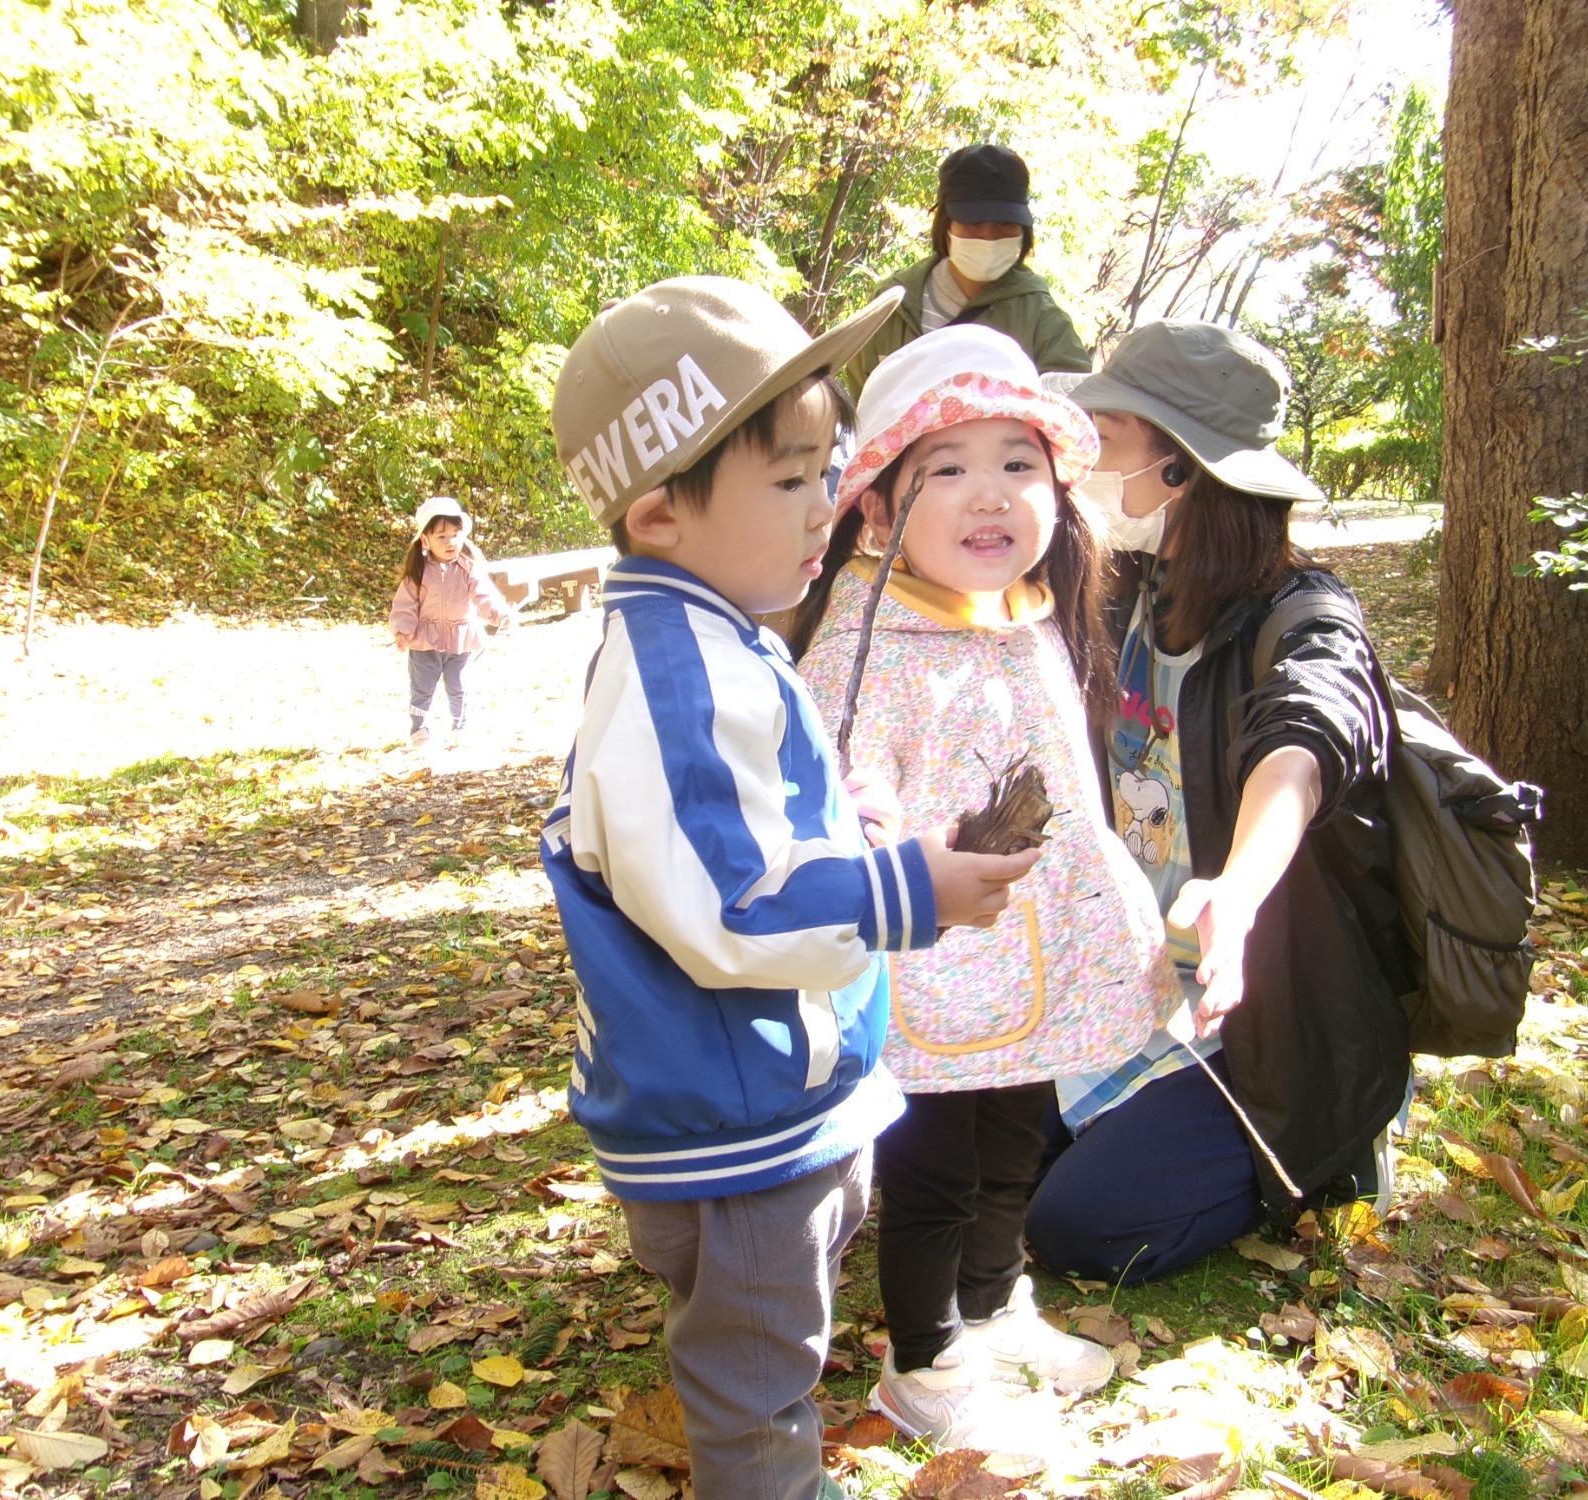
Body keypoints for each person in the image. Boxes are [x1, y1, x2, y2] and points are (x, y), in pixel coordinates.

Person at [542, 277, 1042, 1500]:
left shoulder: (713, 631)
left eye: (829, 470)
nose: (828, 503)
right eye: (789, 479)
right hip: (738, 1130)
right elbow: (731, 905)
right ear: (660, 513)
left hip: (764, 1101)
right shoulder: (679, 671)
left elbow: (737, 829)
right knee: (756, 1385)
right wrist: (900, 889)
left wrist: (851, 825)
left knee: (772, 1343)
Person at [788, 326, 1177, 1450]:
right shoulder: (866, 638)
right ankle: (923, 1358)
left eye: (1017, 461)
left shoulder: (1033, 617)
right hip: (932, 955)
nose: (987, 494)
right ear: (876, 509)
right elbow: (833, 781)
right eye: (945, 468)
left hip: (1036, 946)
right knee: (933, 1162)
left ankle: (995, 1304)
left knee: (1020, 1130)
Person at [1024, 319, 1415, 1286]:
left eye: (1107, 434)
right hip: (1138, 982)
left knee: (1078, 1223)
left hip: (1269, 1014)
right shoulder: (1129, 600)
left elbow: (1301, 745)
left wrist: (1235, 893)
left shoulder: (1305, 619)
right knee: (973, 1143)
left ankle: (1329, 1150)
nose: (1083, 460)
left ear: (1182, 470)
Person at [843, 144, 1089, 394]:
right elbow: (859, 410)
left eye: (1005, 223)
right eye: (973, 222)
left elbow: (1075, 413)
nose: (988, 237)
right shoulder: (892, 308)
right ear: (945, 223)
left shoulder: (1043, 322)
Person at [388, 496, 513, 748]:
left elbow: (484, 595)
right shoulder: (418, 572)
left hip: (460, 639)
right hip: (425, 641)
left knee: (459, 685)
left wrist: (499, 614)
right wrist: (402, 631)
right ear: (425, 540)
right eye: (441, 537)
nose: (450, 542)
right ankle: (419, 728)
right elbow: (405, 605)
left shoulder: (468, 569)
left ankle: (460, 726)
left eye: (455, 535)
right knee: (422, 686)